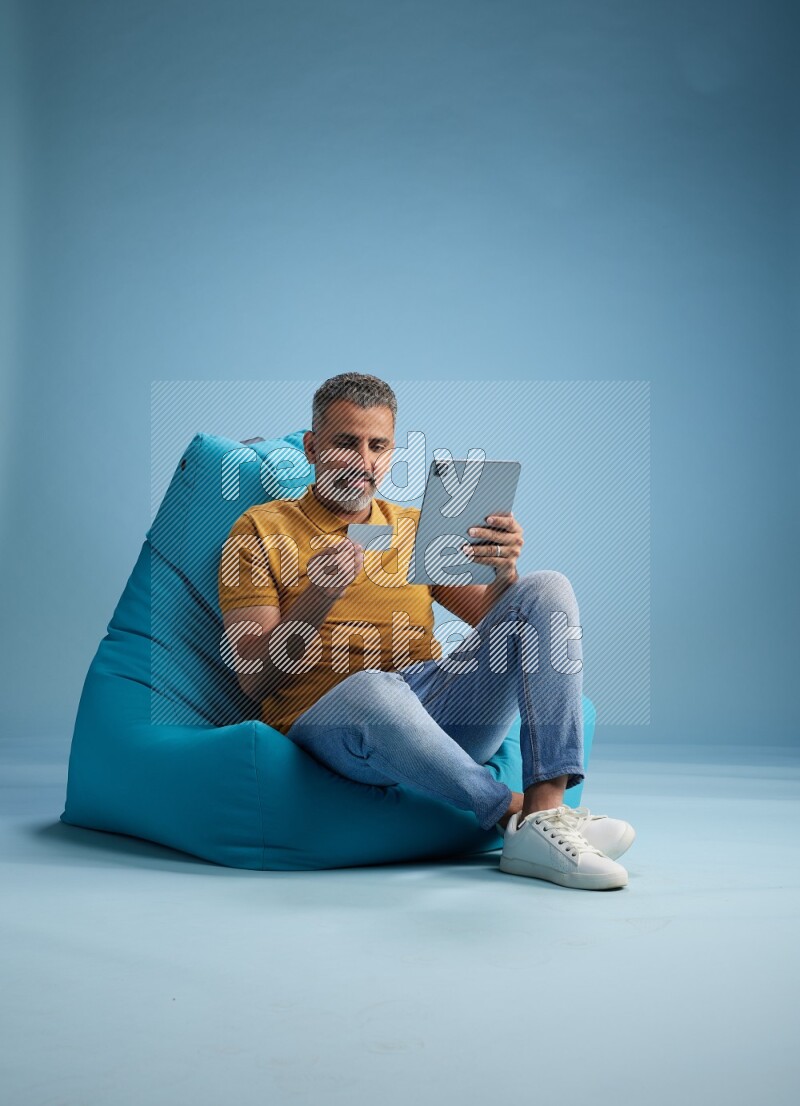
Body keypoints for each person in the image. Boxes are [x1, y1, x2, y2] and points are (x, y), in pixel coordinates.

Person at [218, 373, 635, 891]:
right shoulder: (260, 529)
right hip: (335, 726)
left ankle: (545, 814)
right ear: (312, 447)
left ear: (392, 452)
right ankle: (510, 811)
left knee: (545, 588)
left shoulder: (414, 528)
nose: (363, 462)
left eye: (378, 446)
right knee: (376, 687)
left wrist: (503, 571)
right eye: (346, 443)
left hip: (433, 710)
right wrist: (318, 596)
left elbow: (501, 628)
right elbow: (251, 680)